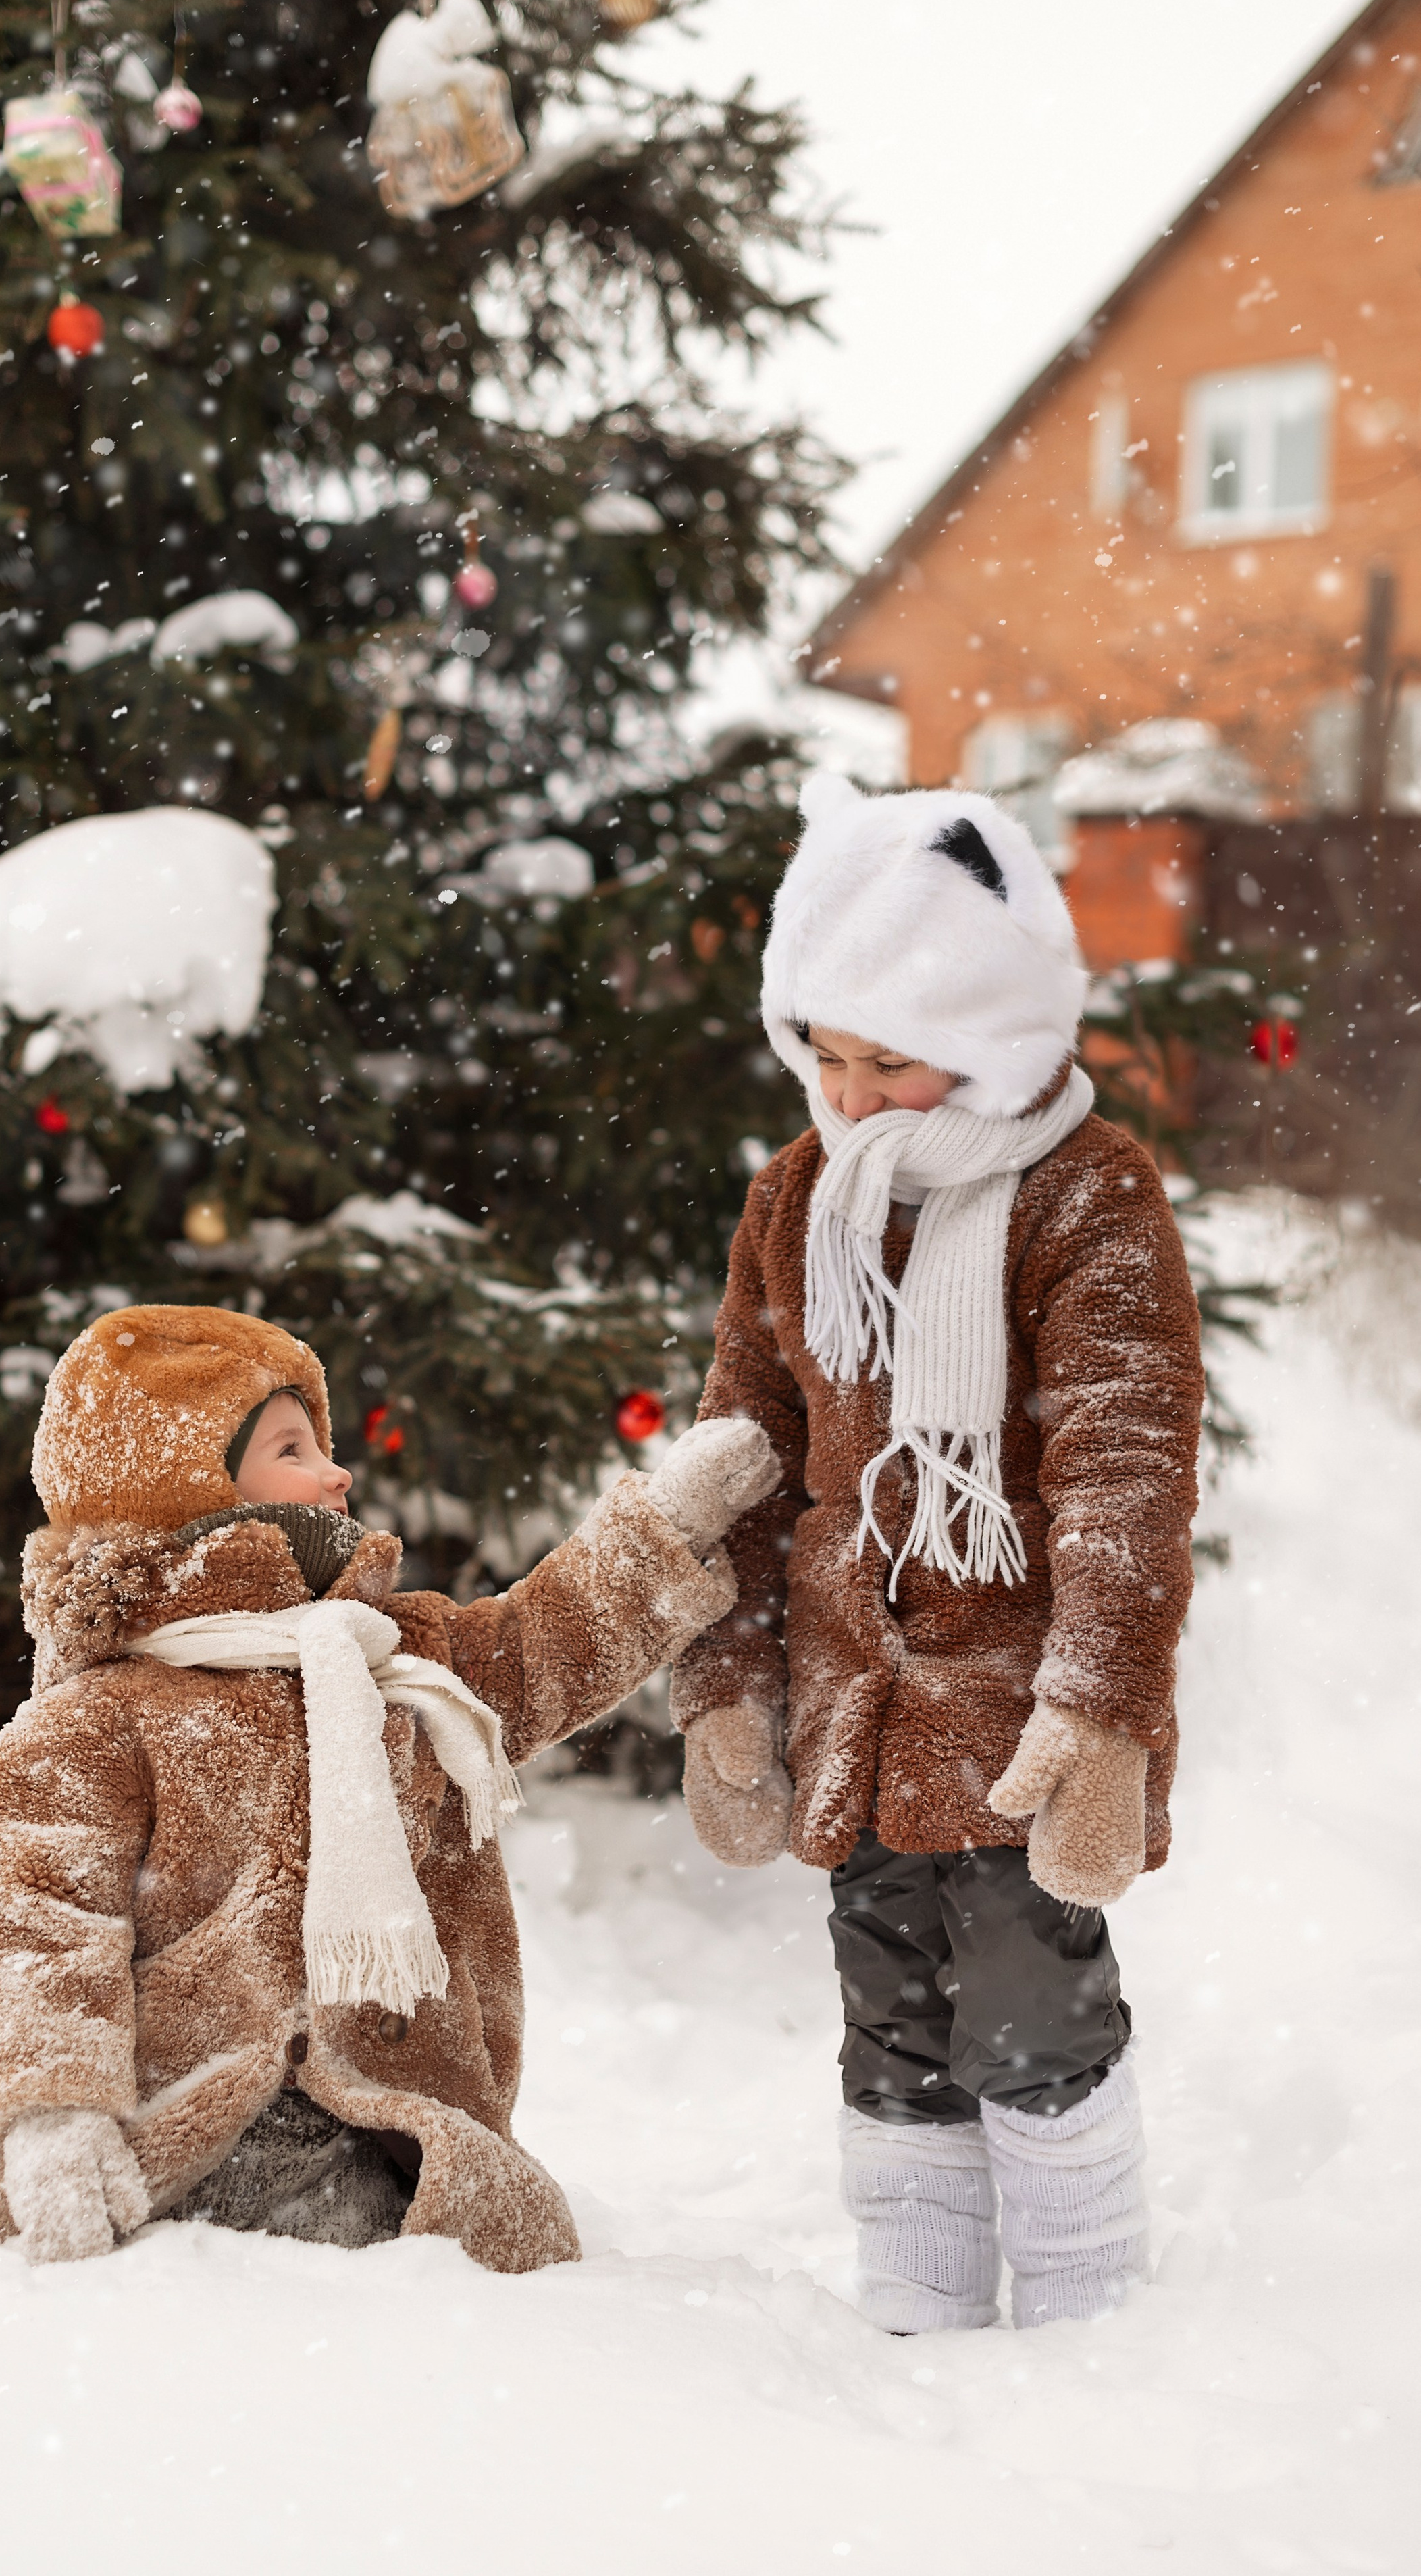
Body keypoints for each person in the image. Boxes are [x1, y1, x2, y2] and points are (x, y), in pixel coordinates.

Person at [0, 1302, 776, 2275]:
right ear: (191, 1487)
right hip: (173, 2091)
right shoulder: (99, 1719)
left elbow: (546, 1643)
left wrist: (667, 1525)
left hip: (374, 2111)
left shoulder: (394, 1661)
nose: (337, 1473)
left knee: (403, 2223)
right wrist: (55, 2115)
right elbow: (44, 1923)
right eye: (292, 1448)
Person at [672, 777, 1203, 2333]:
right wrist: (724, 1682)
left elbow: (1122, 1461)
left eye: (888, 1059)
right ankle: (914, 2307)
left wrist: (1100, 1709)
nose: (848, 1095)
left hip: (1020, 1706)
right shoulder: (797, 1204)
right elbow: (740, 1454)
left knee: (1033, 2002)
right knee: (888, 2007)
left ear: (987, 1034)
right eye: (821, 1054)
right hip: (857, 1704)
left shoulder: (1083, 1193)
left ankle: (1089, 2313)